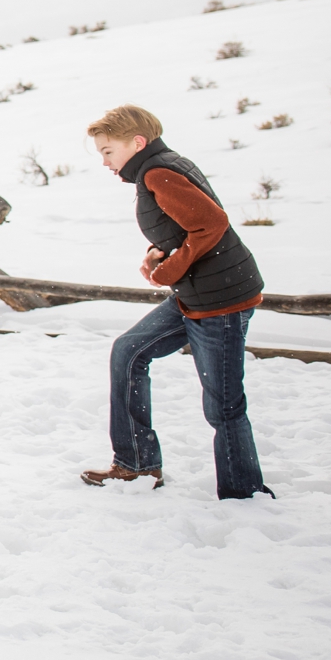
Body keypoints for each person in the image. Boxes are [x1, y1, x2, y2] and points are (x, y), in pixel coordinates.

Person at [82, 104, 273, 499]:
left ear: (137, 143)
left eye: (107, 151)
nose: (104, 161)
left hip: (220, 301)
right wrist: (159, 253)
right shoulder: (160, 167)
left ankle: (244, 494)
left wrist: (167, 272)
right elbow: (183, 223)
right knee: (129, 352)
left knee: (223, 405)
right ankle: (137, 464)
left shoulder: (158, 171)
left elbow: (211, 223)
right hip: (197, 294)